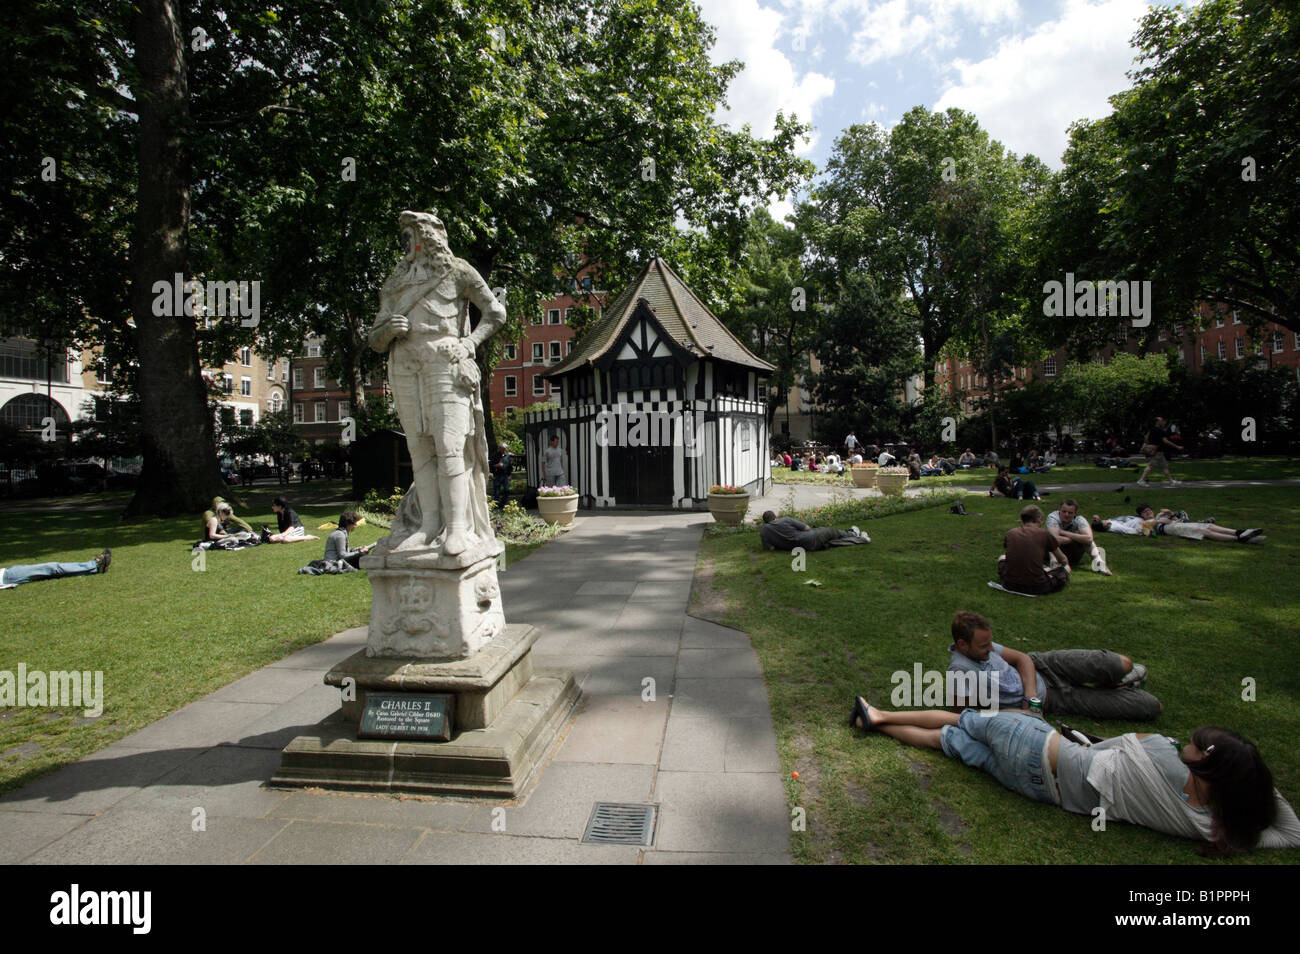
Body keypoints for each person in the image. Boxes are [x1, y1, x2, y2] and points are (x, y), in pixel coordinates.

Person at [847, 699, 1300, 854]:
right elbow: (1292, 833)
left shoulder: (1163, 757)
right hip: (1042, 790)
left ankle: (879, 712)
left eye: (1197, 747)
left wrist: (1248, 767)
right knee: (944, 744)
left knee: (960, 719)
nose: (1188, 744)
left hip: (1039, 747)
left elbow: (1133, 738)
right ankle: (877, 724)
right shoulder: (1211, 826)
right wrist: (1248, 774)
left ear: (1206, 763)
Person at [367, 209, 506, 556]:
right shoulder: (396, 280)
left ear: (430, 236)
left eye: (414, 234)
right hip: (403, 365)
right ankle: (430, 525)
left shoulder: (457, 270)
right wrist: (387, 330)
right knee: (419, 447)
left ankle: (457, 528)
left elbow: (495, 313)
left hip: (445, 363)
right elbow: (374, 337)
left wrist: (469, 343)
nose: (409, 242)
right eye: (406, 236)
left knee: (449, 446)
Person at [946, 611, 1158, 720]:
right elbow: (962, 716)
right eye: (984, 646)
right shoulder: (961, 671)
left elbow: (1022, 658)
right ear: (963, 645)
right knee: (1150, 706)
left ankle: (1115, 681)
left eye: (991, 643)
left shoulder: (984, 645)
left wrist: (1030, 696)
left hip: (1044, 666)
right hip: (1053, 699)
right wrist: (1022, 711)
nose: (991, 649)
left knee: (1123, 663)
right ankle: (1118, 687)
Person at [997, 505, 1070, 594]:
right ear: (1039, 518)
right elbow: (1062, 559)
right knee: (1065, 569)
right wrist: (1063, 565)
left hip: (1009, 584)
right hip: (1037, 586)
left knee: (1002, 558)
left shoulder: (1010, 533)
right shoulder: (1044, 534)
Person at [1045, 498, 1110, 575]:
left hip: (1073, 552)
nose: (1066, 514)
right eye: (1064, 511)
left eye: (1070, 513)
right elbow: (1054, 539)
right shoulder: (1053, 518)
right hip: (1057, 552)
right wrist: (1077, 537)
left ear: (1075, 513)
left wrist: (1063, 532)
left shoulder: (1080, 519)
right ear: (1059, 510)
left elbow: (1089, 539)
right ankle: (1054, 563)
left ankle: (1099, 563)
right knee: (1049, 539)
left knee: (1089, 543)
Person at [759, 510, 870, 551]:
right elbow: (806, 528)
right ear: (775, 517)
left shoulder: (763, 531)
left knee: (832, 543)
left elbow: (771, 548)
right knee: (831, 532)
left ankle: (861, 539)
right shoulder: (785, 520)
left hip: (806, 547)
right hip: (811, 537)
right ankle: (852, 533)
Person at [1, 549, 111, 588]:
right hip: (7, 575)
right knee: (51, 568)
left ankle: (96, 569)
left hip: (7, 575)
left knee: (53, 573)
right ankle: (93, 565)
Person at [1137, 416, 1182, 486]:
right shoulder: (1160, 431)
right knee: (1150, 466)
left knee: (1164, 466)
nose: (1163, 422)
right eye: (1162, 420)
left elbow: (1146, 439)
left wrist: (1148, 446)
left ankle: (1171, 481)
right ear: (1158, 422)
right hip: (1157, 451)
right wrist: (1177, 447)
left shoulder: (1151, 429)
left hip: (1155, 451)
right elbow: (1166, 441)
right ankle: (1141, 480)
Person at [492, 442, 513, 507]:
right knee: (497, 492)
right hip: (497, 475)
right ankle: (496, 505)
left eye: (505, 449)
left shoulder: (508, 456)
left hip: (505, 475)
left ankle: (502, 503)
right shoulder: (495, 455)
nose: (504, 450)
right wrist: (496, 465)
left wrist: (510, 475)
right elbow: (490, 466)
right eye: (503, 449)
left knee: (507, 490)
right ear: (499, 448)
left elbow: (510, 466)